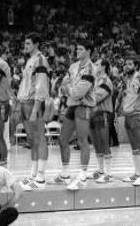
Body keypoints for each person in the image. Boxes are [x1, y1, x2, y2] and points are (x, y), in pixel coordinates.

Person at [56, 39, 96, 190]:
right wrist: (69, 89)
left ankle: (83, 174)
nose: (77, 51)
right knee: (62, 139)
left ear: (88, 51)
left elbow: (79, 93)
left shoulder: (91, 69)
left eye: (80, 49)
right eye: (77, 49)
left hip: (83, 106)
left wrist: (69, 90)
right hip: (71, 106)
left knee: (82, 141)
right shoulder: (73, 66)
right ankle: (65, 172)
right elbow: (62, 86)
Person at [17, 33, 51, 191]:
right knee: (32, 140)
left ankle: (41, 177)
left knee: (40, 138)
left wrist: (36, 108)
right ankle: (33, 174)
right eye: (25, 43)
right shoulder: (29, 60)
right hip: (24, 102)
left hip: (33, 103)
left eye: (29, 43)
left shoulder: (40, 59)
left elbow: (41, 85)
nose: (26, 45)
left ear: (37, 44)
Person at [119, 55, 140, 186]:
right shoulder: (127, 79)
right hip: (128, 115)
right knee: (134, 147)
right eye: (126, 63)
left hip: (137, 114)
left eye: (130, 64)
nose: (127, 66)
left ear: (136, 66)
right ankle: (137, 173)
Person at [87, 59, 114, 183]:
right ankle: (100, 170)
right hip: (92, 113)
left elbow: (96, 98)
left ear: (103, 67)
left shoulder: (106, 81)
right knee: (96, 143)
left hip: (102, 113)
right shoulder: (95, 80)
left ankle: (108, 173)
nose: (95, 66)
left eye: (97, 64)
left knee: (104, 142)